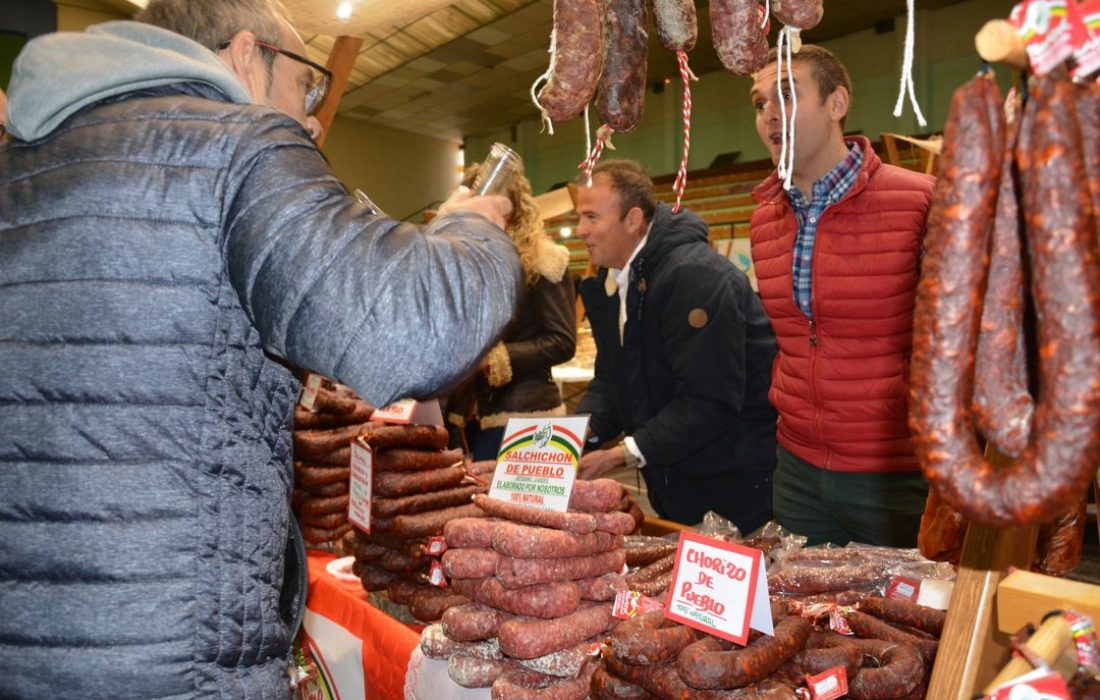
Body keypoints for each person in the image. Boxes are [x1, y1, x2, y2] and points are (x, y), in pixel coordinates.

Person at [0, 0, 522, 696]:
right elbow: (418, 331)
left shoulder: (20, 169)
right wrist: (474, 229)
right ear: (247, 55)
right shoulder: (238, 148)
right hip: (181, 666)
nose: (310, 118)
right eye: (306, 85)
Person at [748, 45, 936, 547]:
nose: (769, 114)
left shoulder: (920, 201)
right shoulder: (764, 219)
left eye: (786, 95)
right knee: (807, 619)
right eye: (759, 102)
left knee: (916, 621)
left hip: (897, 474)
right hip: (798, 470)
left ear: (837, 104)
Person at [574, 159, 778, 533]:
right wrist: (578, 434)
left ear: (633, 219)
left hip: (732, 490)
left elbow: (709, 400)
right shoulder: (616, 281)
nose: (579, 230)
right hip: (677, 484)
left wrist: (625, 454)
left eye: (590, 217)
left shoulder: (695, 278)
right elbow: (612, 381)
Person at [446, 163, 577, 461]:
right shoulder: (467, 259)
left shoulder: (546, 259)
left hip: (526, 416)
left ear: (512, 207)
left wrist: (491, 359)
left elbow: (561, 341)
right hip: (467, 416)